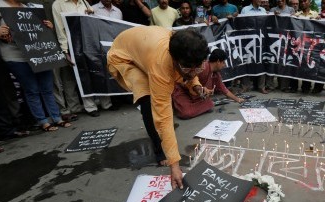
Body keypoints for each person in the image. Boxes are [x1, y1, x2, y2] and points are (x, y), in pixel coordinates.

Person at [107, 27, 210, 189]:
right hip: (124, 56)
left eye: (198, 67)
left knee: (178, 77)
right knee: (148, 99)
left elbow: (190, 70)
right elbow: (164, 116)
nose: (193, 72)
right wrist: (174, 165)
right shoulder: (161, 64)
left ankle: (164, 148)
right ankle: (158, 150)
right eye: (188, 68)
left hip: (143, 50)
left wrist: (195, 84)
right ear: (174, 59)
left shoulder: (184, 49)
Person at [0, 0, 71, 132]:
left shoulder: (28, 7)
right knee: (31, 89)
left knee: (47, 87)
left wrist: (47, 28)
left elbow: (37, 29)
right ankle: (43, 121)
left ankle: (56, 117)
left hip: (38, 53)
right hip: (15, 56)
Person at [53, 0, 114, 117]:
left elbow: (93, 23)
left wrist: (91, 14)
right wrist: (65, 51)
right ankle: (90, 107)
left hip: (90, 42)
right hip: (74, 44)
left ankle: (106, 103)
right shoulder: (58, 4)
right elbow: (60, 29)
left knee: (98, 72)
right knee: (82, 75)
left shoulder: (84, 2)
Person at [172, 49, 245, 119]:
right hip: (183, 91)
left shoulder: (216, 74)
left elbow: (224, 89)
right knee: (186, 113)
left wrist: (237, 99)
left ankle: (192, 105)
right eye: (223, 62)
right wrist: (202, 89)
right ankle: (179, 106)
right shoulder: (203, 67)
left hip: (196, 95)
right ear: (218, 61)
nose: (224, 65)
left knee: (210, 104)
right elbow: (189, 81)